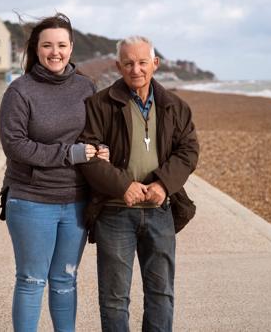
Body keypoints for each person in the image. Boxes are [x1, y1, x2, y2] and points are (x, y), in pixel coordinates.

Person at [78, 36, 200, 331]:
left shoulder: (175, 106)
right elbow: (87, 155)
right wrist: (123, 186)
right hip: (114, 213)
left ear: (155, 64)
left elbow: (188, 151)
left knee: (161, 294)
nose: (136, 69)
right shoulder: (99, 104)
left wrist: (162, 184)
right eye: (129, 63)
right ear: (119, 66)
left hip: (160, 211)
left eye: (142, 62)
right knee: (114, 298)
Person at [0, 13, 108, 332]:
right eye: (47, 45)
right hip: (31, 201)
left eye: (61, 45)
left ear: (71, 48)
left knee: (65, 279)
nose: (55, 52)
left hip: (76, 201)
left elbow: (97, 132)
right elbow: (15, 145)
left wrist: (102, 149)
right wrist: (68, 154)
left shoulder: (87, 87)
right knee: (32, 280)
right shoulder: (20, 92)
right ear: (37, 48)